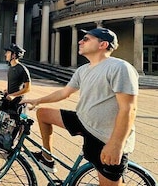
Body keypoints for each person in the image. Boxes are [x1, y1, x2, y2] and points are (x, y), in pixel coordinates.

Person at [21, 28, 138, 186]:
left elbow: (128, 109)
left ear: (103, 44)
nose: (80, 41)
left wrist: (116, 144)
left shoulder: (120, 67)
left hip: (104, 136)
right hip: (83, 120)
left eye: (86, 39)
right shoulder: (83, 70)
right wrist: (37, 100)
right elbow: (64, 92)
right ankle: (46, 158)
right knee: (43, 114)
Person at [0, 43, 31, 135]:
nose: (5, 54)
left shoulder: (22, 69)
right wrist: (7, 90)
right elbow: (15, 83)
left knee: (16, 123)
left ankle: (18, 141)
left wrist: (14, 95)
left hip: (17, 101)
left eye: (8, 52)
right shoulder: (11, 68)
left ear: (14, 55)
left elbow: (28, 88)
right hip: (9, 97)